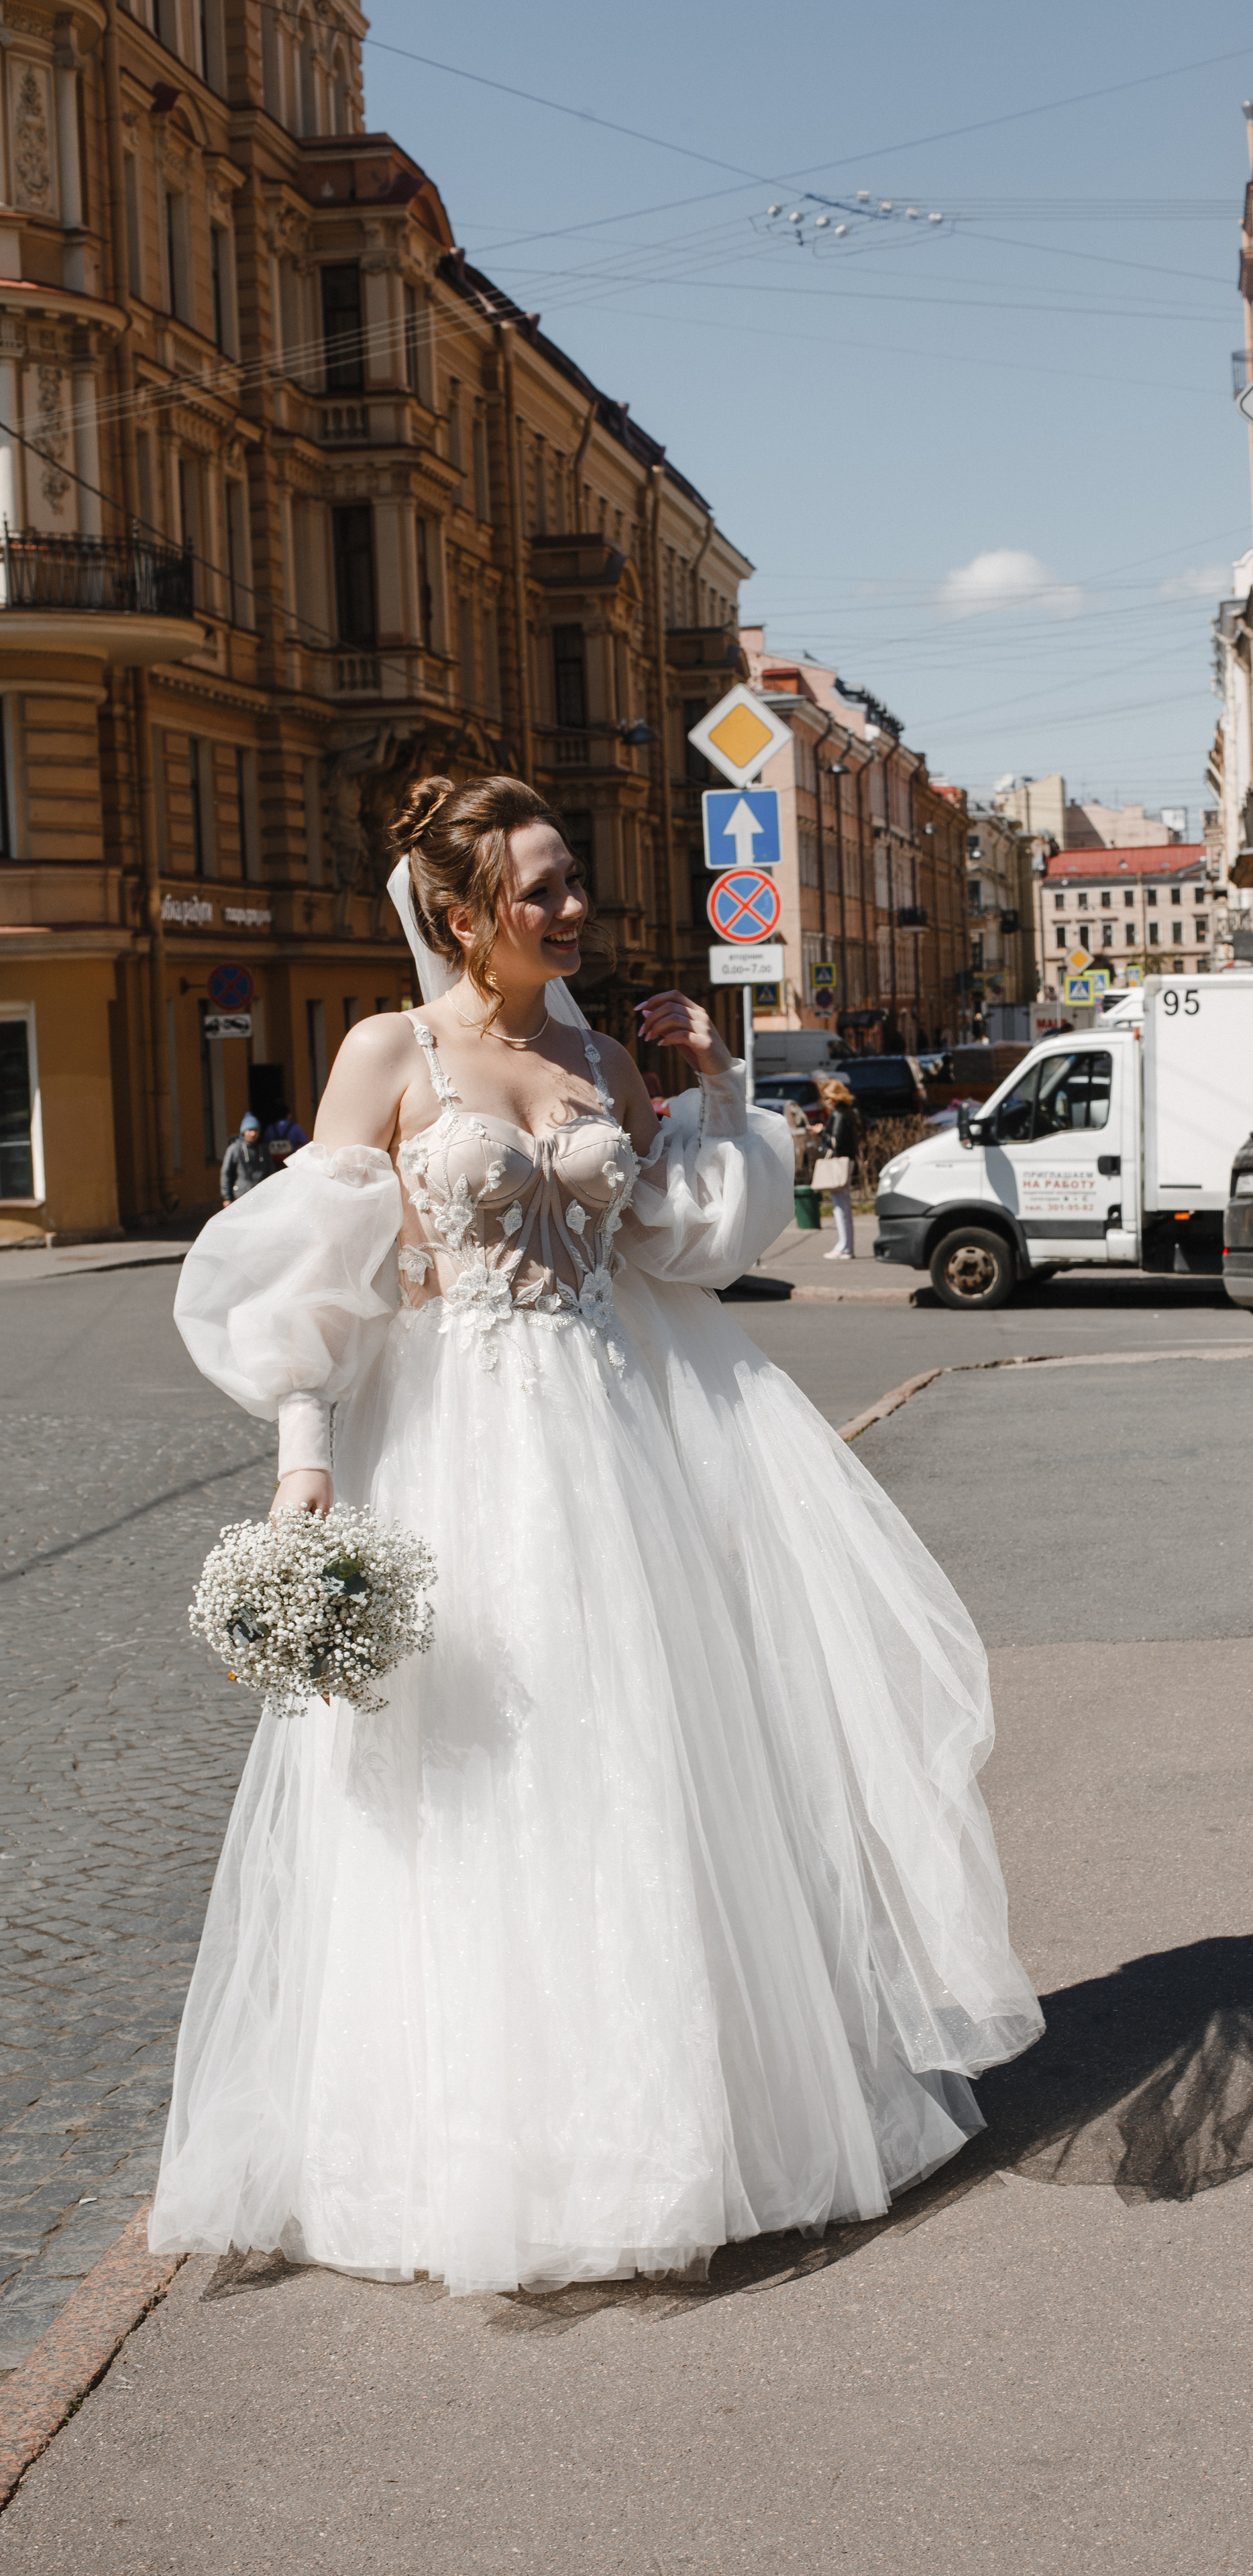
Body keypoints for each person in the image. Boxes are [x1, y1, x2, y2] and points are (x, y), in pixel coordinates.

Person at [155, 773, 1041, 2296]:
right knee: (471, 1795)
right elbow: (315, 1283)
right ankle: (476, 2153)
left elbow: (680, 1247)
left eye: (574, 883)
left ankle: (671, 2129)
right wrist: (305, 1462)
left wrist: (699, 1087)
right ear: (458, 913)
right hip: (456, 1454)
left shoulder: (592, 1050)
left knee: (635, 1777)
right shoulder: (390, 1052)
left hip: (615, 1452)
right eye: (542, 889)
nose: (574, 910)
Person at [814, 1076, 860, 1260]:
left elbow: (835, 1142)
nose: (826, 1102)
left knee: (840, 1206)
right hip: (848, 1160)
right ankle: (846, 1246)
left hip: (840, 1162)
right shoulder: (849, 1112)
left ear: (833, 1097)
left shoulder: (839, 1114)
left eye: (827, 1098)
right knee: (844, 1206)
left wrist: (821, 1133)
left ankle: (844, 1247)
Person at [219, 1111, 269, 1204]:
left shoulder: (263, 1149)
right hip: (241, 1196)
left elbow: (270, 1171)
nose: (253, 1134)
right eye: (250, 1130)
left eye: (256, 1130)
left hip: (262, 1196)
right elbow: (226, 1173)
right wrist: (227, 1197)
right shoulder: (235, 1149)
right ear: (244, 1131)